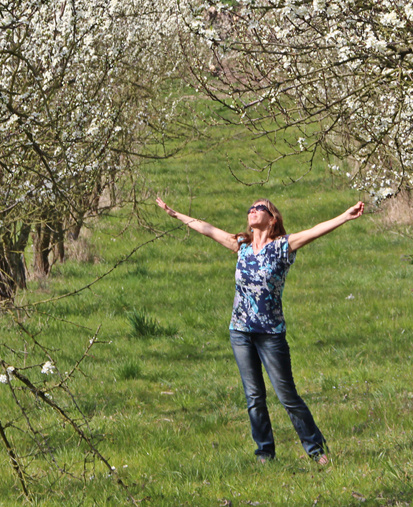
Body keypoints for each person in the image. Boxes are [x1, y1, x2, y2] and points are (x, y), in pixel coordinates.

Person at [155, 195, 365, 465]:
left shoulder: (281, 247)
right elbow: (207, 229)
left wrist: (345, 216)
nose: (253, 211)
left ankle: (316, 450)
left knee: (287, 395)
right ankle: (265, 453)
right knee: (254, 397)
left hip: (270, 335)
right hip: (240, 333)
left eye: (260, 208)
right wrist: (176, 214)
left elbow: (315, 231)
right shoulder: (240, 245)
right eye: (250, 209)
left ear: (272, 217)